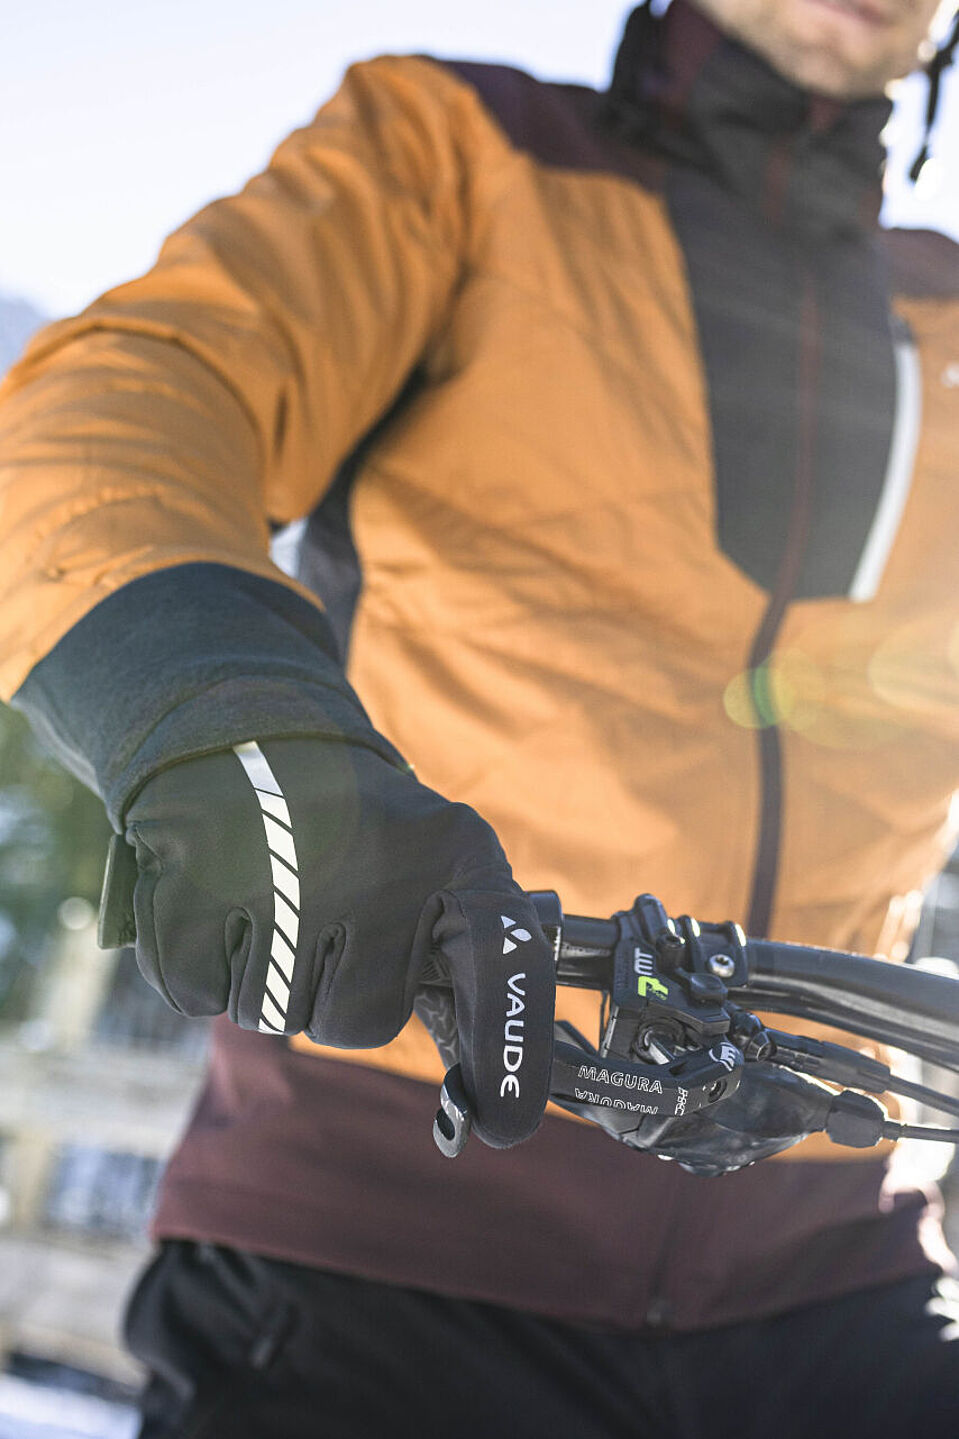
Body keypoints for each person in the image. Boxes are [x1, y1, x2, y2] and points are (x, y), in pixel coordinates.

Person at [2, 0, 959, 1433]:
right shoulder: (458, 158)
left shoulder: (945, 309)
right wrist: (217, 708)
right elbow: (129, 393)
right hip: (386, 1232)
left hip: (838, 1257)